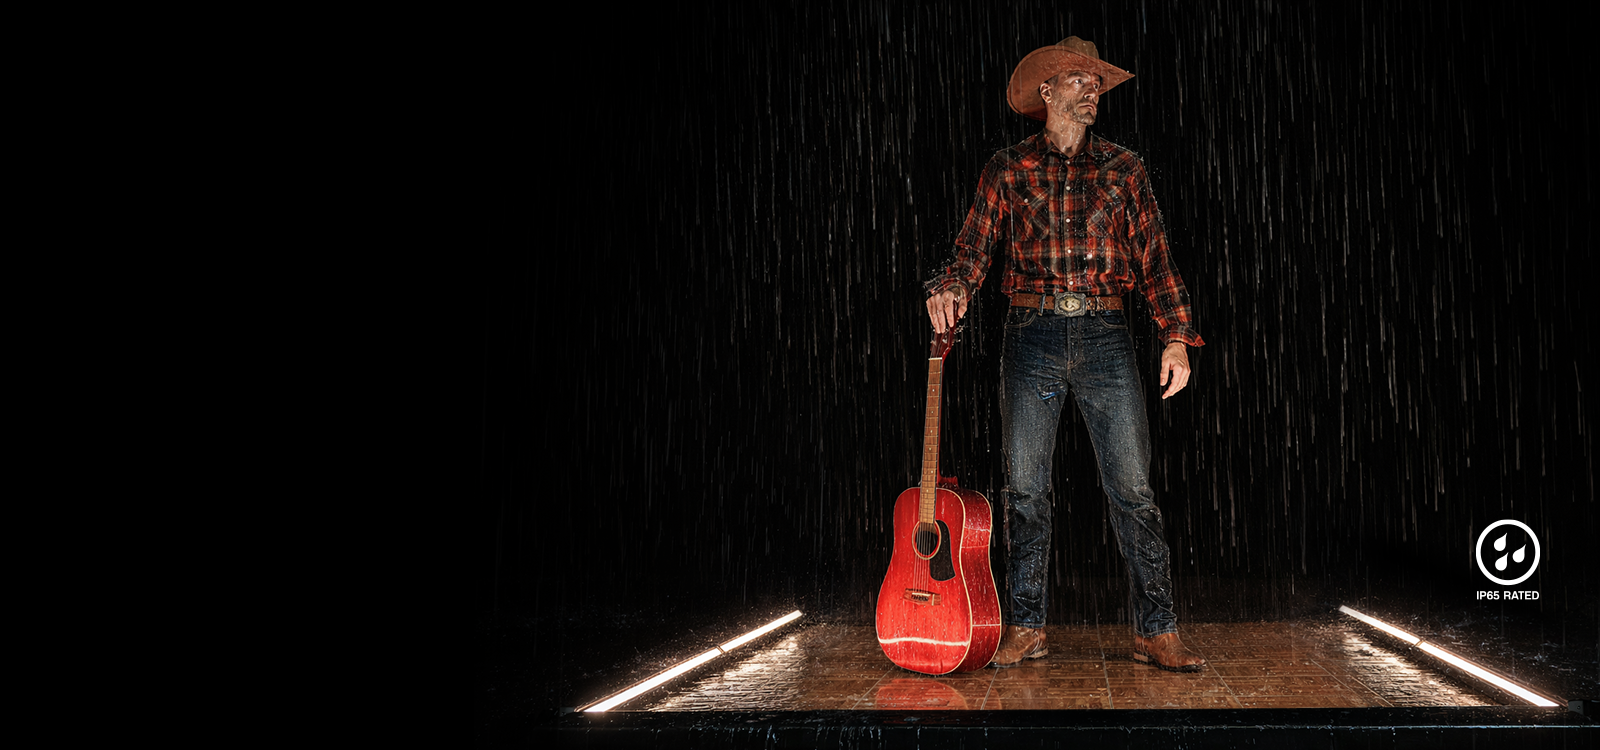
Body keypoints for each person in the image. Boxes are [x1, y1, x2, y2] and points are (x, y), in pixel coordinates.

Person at [925, 36, 1206, 671]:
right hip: (1032, 336)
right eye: (1079, 79)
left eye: (1096, 82)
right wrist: (951, 287)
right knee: (1026, 490)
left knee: (1132, 488)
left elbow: (1156, 259)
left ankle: (1157, 630)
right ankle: (1027, 627)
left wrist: (1176, 336)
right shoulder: (1007, 169)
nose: (1092, 90)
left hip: (1107, 335)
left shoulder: (1125, 169)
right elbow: (972, 250)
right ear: (1047, 91)